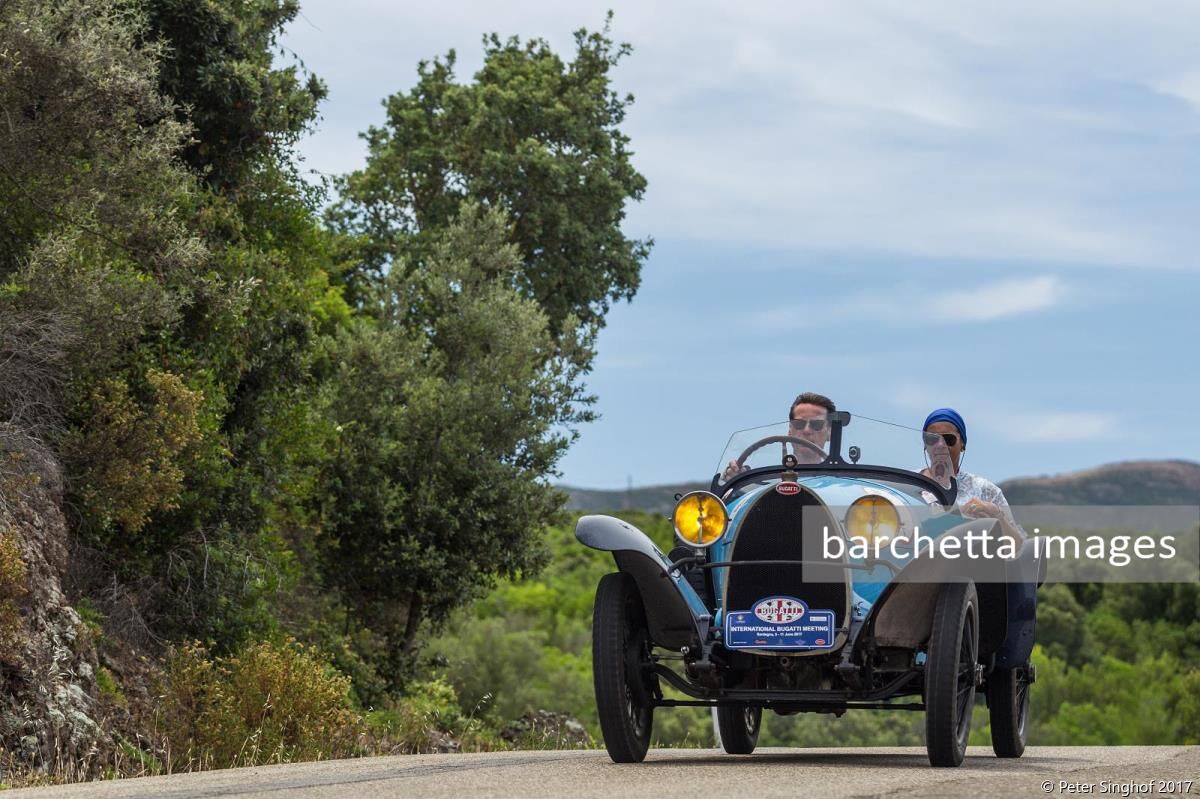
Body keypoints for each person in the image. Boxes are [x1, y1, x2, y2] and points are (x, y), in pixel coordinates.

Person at [921, 407, 1025, 545]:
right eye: (932, 439)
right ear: (925, 444)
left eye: (948, 439)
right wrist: (960, 515)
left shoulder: (986, 490)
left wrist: (996, 516)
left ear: (962, 444)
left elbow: (1016, 546)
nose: (940, 445)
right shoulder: (909, 485)